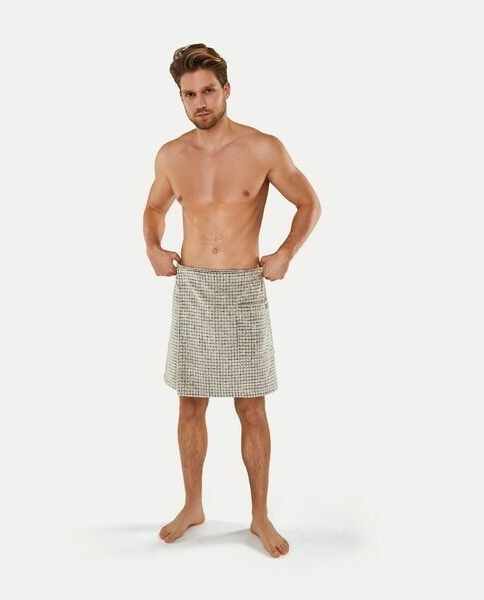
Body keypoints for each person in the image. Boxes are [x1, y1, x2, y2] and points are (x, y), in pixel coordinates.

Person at [143, 43, 322, 558]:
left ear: (226, 90)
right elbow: (154, 208)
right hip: (193, 288)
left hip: (243, 289)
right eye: (189, 94)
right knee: (190, 403)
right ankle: (193, 505)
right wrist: (152, 246)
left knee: (251, 407)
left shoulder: (263, 148)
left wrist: (286, 252)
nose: (199, 102)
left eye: (207, 91)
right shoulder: (172, 155)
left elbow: (309, 203)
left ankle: (260, 515)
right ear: (181, 98)